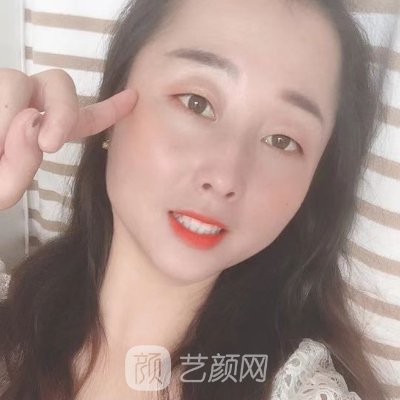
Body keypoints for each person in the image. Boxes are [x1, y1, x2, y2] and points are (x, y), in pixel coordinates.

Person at [0, 0, 391, 398]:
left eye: (281, 140)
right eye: (196, 103)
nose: (225, 177)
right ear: (112, 107)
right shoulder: (13, 331)